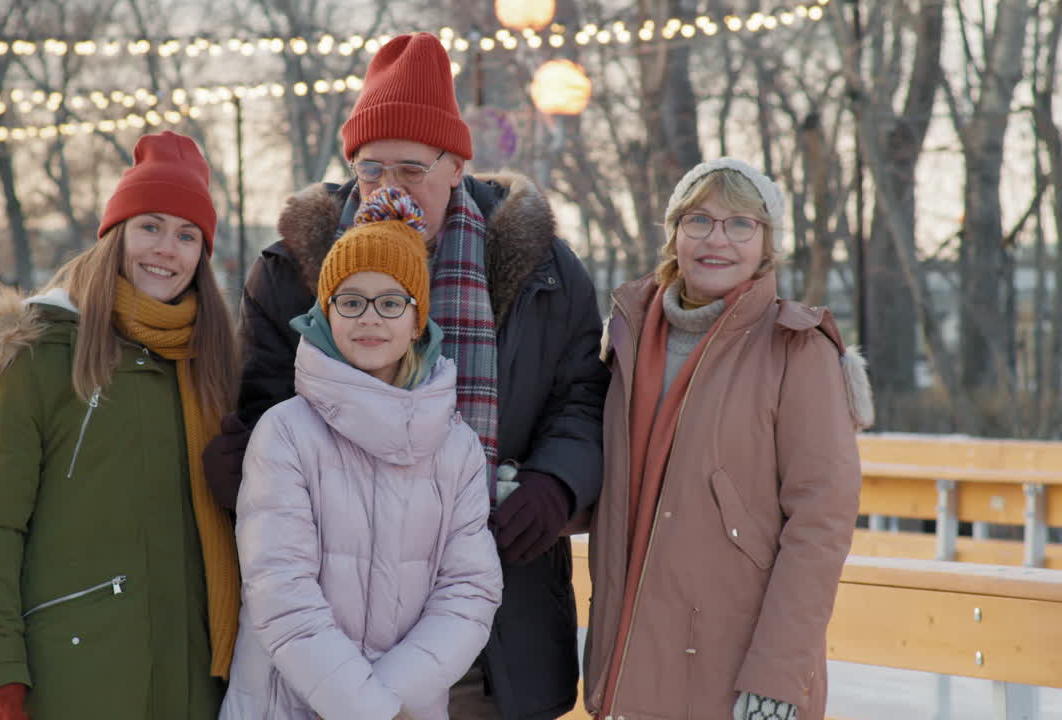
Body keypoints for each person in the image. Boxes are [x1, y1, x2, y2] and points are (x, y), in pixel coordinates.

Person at [203, 31, 609, 718]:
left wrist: (556, 483)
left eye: (412, 169)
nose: (390, 189)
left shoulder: (543, 268)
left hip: (495, 619)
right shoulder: (291, 270)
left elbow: (583, 398)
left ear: (456, 166)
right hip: (331, 630)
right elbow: (265, 404)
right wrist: (247, 470)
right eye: (371, 169)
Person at [0, 130, 240, 720]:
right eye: (151, 227)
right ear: (116, 235)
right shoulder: (42, 356)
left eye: (187, 235)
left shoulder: (213, 367)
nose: (167, 249)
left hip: (196, 683)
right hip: (75, 677)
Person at [582, 157, 874, 720]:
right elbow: (609, 485)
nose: (717, 239)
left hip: (736, 674)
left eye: (740, 224)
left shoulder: (796, 349)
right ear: (674, 234)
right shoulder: (627, 336)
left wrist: (777, 679)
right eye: (698, 221)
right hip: (631, 661)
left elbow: (821, 523)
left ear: (766, 242)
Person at [220, 186, 503, 719]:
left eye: (390, 302)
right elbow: (281, 593)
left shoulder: (456, 446)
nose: (369, 318)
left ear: (417, 321)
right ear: (327, 314)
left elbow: (469, 591)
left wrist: (391, 698)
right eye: (351, 301)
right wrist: (369, 708)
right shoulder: (286, 433)